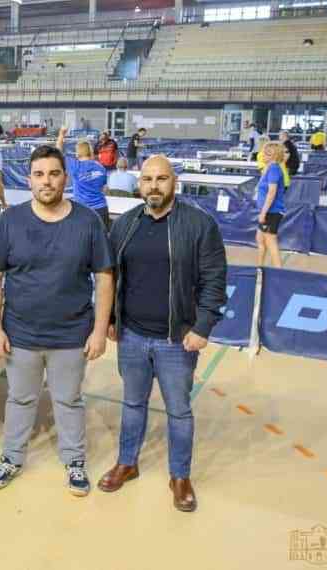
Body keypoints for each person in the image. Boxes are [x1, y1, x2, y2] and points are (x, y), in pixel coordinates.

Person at [0, 145, 114, 497]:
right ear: (29, 180)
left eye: (53, 173)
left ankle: (74, 461)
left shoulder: (88, 221)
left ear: (65, 178)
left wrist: (100, 330)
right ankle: (11, 457)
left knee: (68, 400)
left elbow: (104, 277)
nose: (47, 181)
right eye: (39, 174)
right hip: (20, 333)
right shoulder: (10, 221)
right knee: (20, 399)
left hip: (71, 334)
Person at [99, 154, 227, 513]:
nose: (154, 186)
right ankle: (128, 462)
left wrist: (202, 327)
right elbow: (112, 277)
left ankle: (180, 476)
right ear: (139, 185)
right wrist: (110, 318)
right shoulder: (124, 224)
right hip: (132, 337)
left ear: (175, 182)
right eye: (147, 180)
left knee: (179, 412)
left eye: (161, 179)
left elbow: (214, 279)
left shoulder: (199, 225)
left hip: (177, 339)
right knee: (133, 404)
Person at [56, 128, 110, 229]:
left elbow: (58, 151)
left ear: (78, 153)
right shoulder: (101, 167)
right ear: (90, 152)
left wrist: (61, 134)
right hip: (101, 209)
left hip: (82, 211)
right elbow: (105, 189)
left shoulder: (75, 166)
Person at [255, 141, 287, 268]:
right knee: (260, 239)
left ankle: (279, 273)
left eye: (267, 153)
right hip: (267, 211)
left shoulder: (274, 169)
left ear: (274, 156)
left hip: (271, 212)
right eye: (264, 151)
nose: (263, 154)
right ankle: (259, 268)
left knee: (271, 242)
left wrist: (263, 213)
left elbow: (271, 193)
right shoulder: (268, 168)